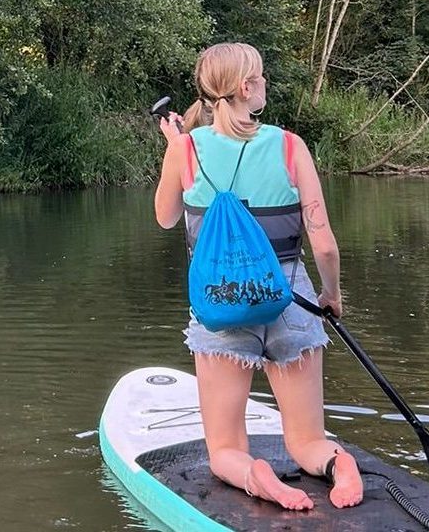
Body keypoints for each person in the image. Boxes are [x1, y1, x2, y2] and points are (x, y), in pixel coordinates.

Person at [153, 42, 364, 511]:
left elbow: (166, 218)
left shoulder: (185, 148)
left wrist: (175, 151)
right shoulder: (290, 146)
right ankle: (336, 464)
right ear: (248, 87)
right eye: (262, 77)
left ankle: (256, 474)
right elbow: (324, 242)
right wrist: (330, 296)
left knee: (226, 450)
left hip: (221, 304)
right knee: (308, 441)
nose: (265, 83)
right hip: (291, 297)